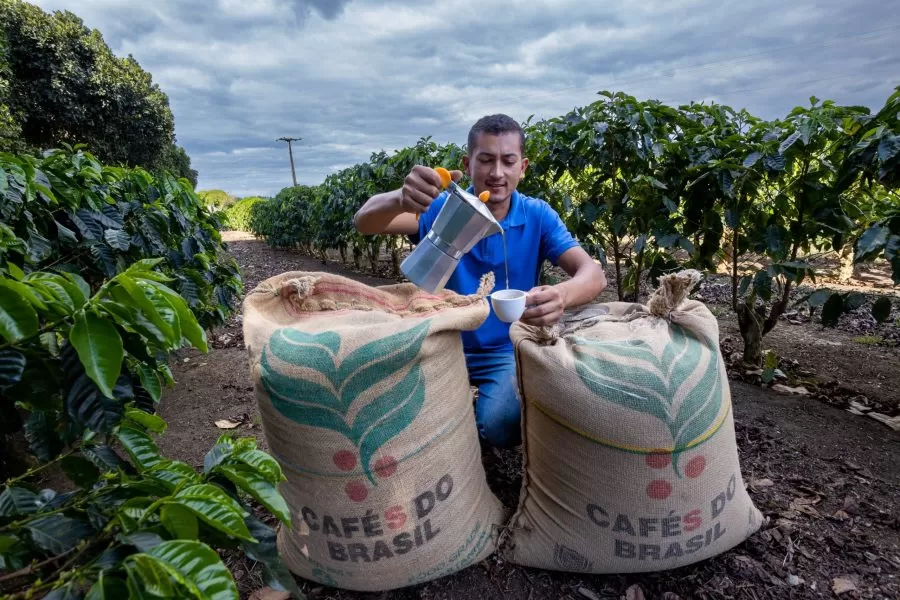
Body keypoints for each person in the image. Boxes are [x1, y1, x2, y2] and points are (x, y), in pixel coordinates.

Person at [353, 114, 607, 448]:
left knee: (501, 423)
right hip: (441, 339)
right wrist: (400, 198)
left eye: (508, 161)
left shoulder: (537, 215)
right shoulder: (445, 208)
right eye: (485, 160)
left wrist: (561, 295)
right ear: (467, 164)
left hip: (505, 347)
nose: (497, 173)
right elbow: (365, 222)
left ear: (523, 167)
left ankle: (473, 429)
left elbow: (594, 275)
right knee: (388, 411)